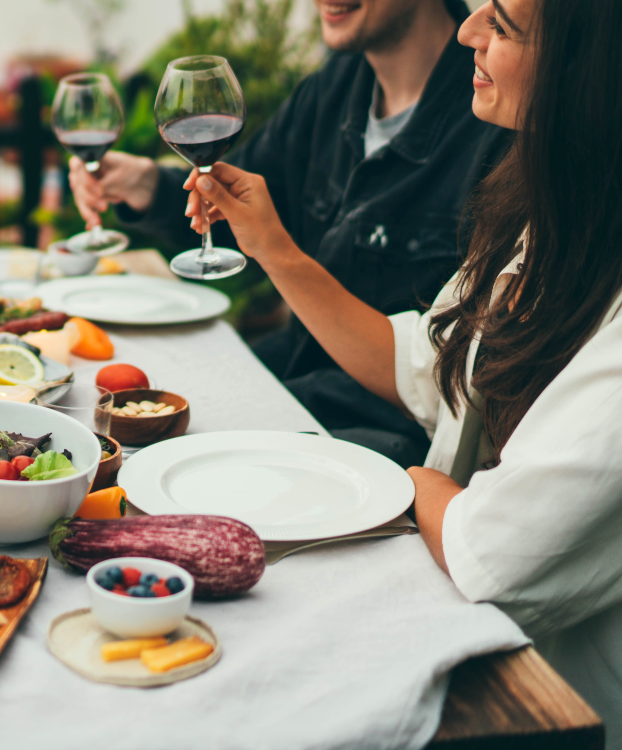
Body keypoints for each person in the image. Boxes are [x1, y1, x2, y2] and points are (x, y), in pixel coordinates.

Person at [184, 0, 622, 740]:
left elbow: (490, 550)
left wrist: (413, 481)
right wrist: (272, 247)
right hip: (461, 624)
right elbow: (421, 364)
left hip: (543, 706)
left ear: (586, 76)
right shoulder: (550, 222)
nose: (467, 30)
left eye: (504, 25)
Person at [69, 0, 508, 468]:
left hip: (383, 446)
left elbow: (459, 381)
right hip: (294, 386)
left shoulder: (499, 124)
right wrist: (143, 184)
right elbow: (239, 204)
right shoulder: (334, 87)